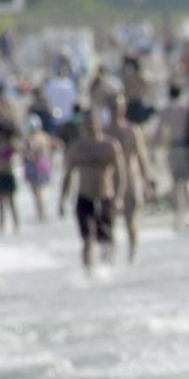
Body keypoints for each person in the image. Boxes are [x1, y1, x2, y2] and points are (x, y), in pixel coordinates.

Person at [58, 111, 125, 270]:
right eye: (87, 124)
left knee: (107, 239)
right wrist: (62, 200)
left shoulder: (110, 146)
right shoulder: (77, 148)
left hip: (105, 196)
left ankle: (108, 271)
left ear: (99, 124)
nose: (90, 127)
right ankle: (89, 274)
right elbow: (67, 175)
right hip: (84, 196)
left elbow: (120, 175)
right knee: (87, 239)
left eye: (93, 123)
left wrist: (119, 197)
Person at [105, 94, 154, 262]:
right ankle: (109, 257)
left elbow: (142, 156)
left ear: (124, 108)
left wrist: (148, 181)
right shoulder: (104, 132)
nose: (115, 110)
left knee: (130, 220)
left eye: (118, 106)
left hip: (131, 180)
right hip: (109, 181)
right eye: (112, 107)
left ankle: (132, 255)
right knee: (108, 222)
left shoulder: (132, 130)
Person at [157, 84, 189, 225]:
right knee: (188, 181)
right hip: (187, 146)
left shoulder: (167, 110)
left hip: (173, 147)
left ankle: (178, 213)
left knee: (176, 182)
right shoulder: (187, 108)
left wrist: (155, 148)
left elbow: (160, 131)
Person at [21, 116, 57, 223]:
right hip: (42, 165)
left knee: (37, 191)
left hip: (35, 166)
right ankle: (41, 212)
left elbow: (29, 154)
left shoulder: (32, 138)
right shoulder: (44, 136)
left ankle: (41, 213)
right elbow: (52, 148)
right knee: (38, 191)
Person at [0, 124, 20, 234]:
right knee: (2, 204)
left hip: (7, 175)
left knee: (10, 203)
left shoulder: (10, 146)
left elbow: (4, 159)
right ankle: (2, 227)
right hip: (1, 175)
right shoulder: (2, 146)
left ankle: (14, 226)